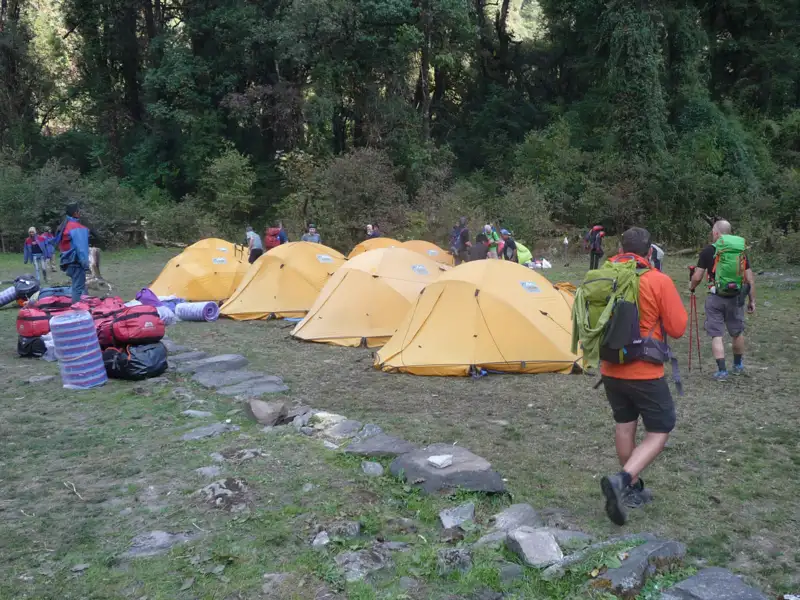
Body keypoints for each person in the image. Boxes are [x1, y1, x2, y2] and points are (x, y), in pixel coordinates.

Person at [598, 227, 687, 526]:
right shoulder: (657, 280)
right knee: (659, 431)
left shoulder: (605, 275)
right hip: (645, 370)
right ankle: (622, 480)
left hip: (610, 367)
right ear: (650, 252)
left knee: (624, 425)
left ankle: (632, 488)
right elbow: (677, 328)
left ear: (621, 248)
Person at [689, 220, 755, 381]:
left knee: (716, 334)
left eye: (713, 231)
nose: (712, 234)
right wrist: (751, 300)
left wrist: (691, 287)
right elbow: (749, 279)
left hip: (715, 297)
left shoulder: (708, 251)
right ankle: (738, 366)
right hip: (736, 297)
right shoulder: (740, 252)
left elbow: (697, 276)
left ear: (717, 233)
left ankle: (722, 371)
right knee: (737, 332)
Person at [55, 203, 90, 304]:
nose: (80, 213)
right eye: (79, 211)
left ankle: (82, 306)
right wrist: (85, 264)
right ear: (75, 213)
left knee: (77, 287)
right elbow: (81, 248)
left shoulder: (64, 226)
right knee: (78, 289)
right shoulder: (76, 227)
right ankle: (78, 310)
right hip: (76, 262)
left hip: (67, 262)